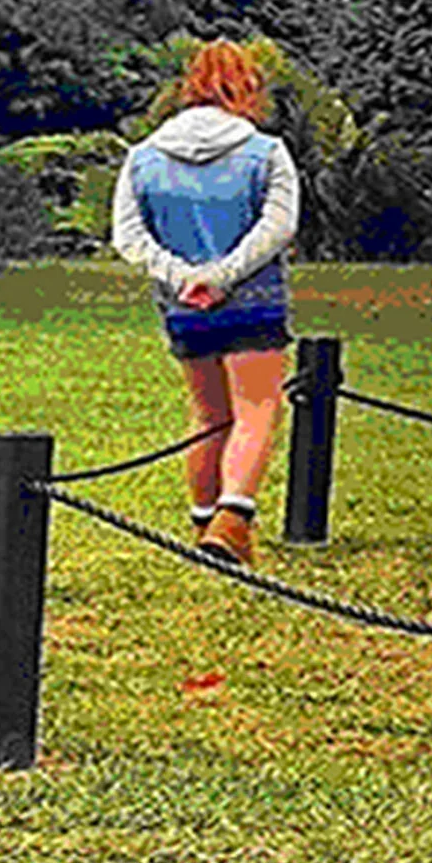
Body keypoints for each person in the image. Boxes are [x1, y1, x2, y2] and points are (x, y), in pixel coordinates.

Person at [110, 41, 301, 566]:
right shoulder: (267, 153)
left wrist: (184, 277)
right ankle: (233, 520)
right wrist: (224, 276)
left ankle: (203, 522)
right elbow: (278, 227)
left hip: (182, 306)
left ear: (189, 88)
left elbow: (128, 236)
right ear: (248, 90)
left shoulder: (143, 158)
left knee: (207, 412)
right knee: (257, 410)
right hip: (254, 302)